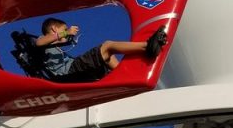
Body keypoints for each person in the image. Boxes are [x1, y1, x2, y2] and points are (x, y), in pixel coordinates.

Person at [36, 18, 167, 82]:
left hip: (73, 69)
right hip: (68, 72)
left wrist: (66, 35)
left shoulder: (56, 48)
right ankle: (147, 46)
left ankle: (127, 77)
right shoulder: (44, 42)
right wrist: (65, 33)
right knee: (107, 46)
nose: (66, 32)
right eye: (64, 29)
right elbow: (39, 42)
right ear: (54, 29)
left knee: (107, 57)